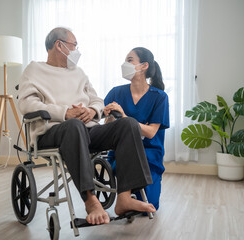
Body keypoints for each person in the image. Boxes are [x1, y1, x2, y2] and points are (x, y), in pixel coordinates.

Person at [18, 27, 156, 225]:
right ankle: (90, 200)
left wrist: (92, 111)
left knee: (128, 124)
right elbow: (26, 104)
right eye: (74, 45)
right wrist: (65, 112)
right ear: (60, 45)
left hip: (88, 129)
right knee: (74, 125)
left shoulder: (78, 72)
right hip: (53, 131)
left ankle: (125, 198)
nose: (76, 50)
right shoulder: (34, 70)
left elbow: (97, 99)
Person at [104, 47, 169, 210]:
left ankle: (128, 196)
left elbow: (151, 132)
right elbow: (107, 127)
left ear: (143, 66)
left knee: (151, 204)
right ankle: (125, 197)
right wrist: (110, 118)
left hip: (149, 155)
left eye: (130, 60)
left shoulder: (159, 97)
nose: (125, 64)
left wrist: (124, 118)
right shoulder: (115, 93)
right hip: (121, 153)